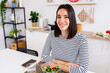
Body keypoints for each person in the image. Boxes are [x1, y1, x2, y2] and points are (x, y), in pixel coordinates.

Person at [41, 4, 89, 73]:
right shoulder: (51, 35)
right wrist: (63, 63)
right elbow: (43, 57)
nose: (61, 21)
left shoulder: (81, 39)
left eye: (66, 17)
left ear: (71, 19)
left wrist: (57, 65)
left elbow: (83, 70)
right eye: (59, 17)